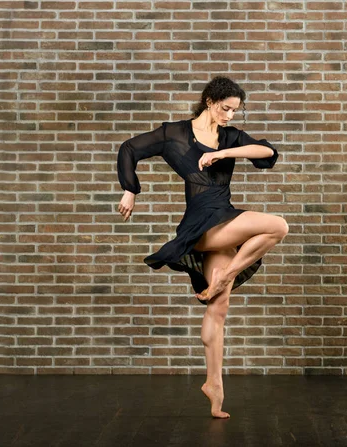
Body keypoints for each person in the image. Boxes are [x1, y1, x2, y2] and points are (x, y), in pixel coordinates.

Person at [116, 76, 288, 418]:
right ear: (210, 101)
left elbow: (267, 151)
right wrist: (130, 189)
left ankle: (214, 385)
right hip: (200, 223)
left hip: (225, 217)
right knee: (278, 225)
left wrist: (225, 151)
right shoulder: (174, 135)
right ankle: (226, 276)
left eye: (235, 111)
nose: (229, 116)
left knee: (218, 309)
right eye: (225, 109)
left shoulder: (231, 136)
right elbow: (129, 148)